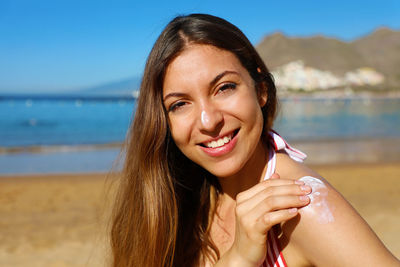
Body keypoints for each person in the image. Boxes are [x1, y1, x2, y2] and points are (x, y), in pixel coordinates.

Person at [110, 14, 399, 267]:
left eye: (224, 88)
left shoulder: (300, 207)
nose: (208, 121)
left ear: (261, 91)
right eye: (180, 104)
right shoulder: (187, 194)